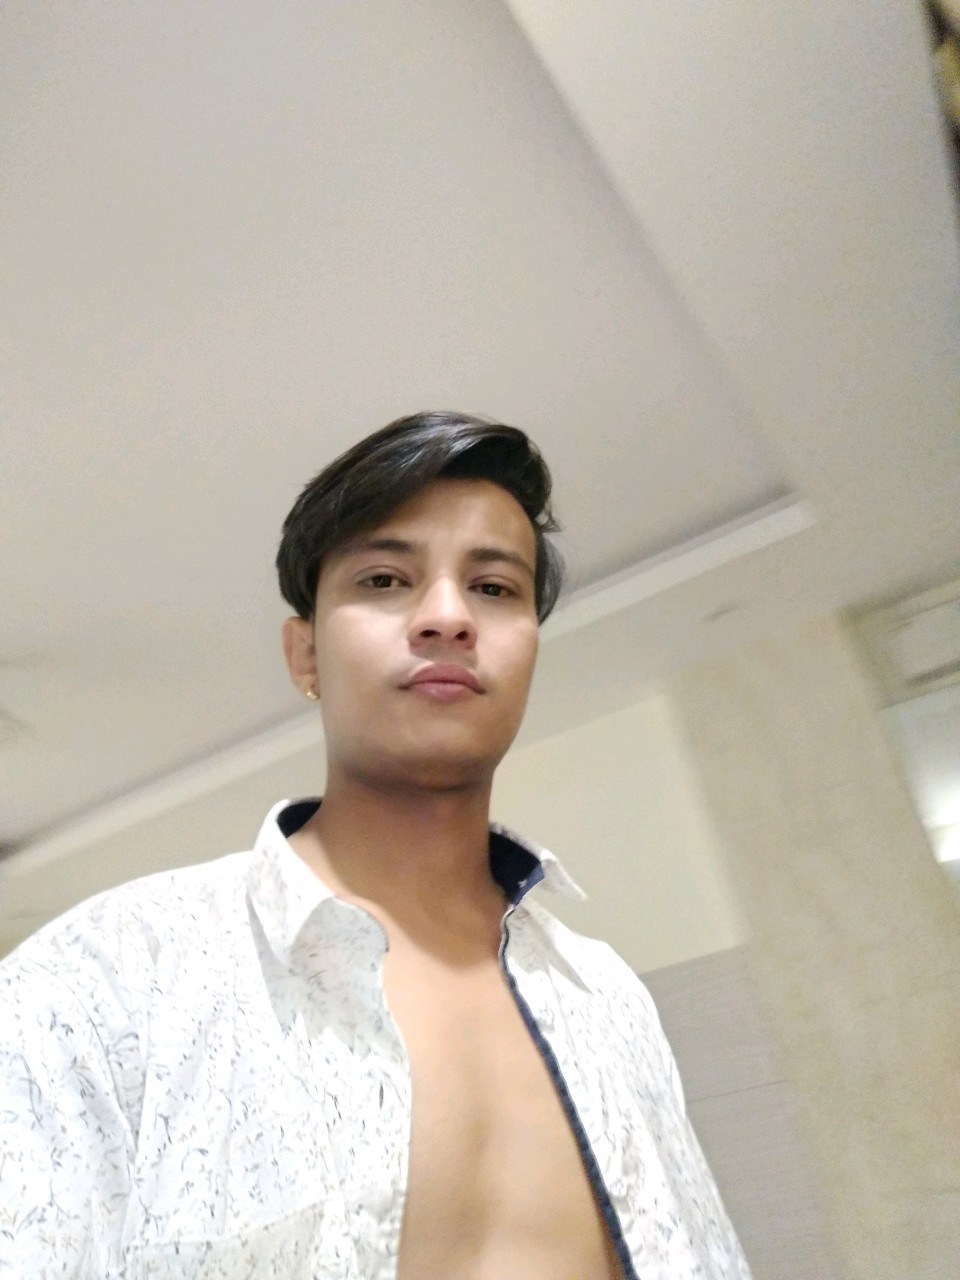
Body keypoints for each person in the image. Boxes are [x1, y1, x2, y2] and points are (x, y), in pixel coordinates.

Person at [0, 411, 752, 1279]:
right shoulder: (107, 979)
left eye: (494, 588)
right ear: (305, 656)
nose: (447, 617)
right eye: (387, 579)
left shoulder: (609, 998)